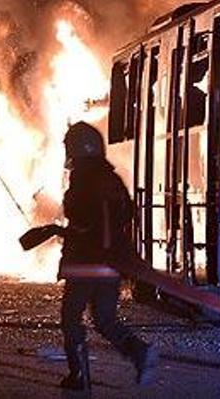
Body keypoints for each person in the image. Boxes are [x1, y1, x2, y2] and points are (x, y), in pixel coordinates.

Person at [58, 121, 159, 391]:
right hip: (112, 262)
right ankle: (139, 352)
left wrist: (69, 232)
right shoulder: (112, 179)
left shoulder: (82, 179)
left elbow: (78, 217)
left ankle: (78, 375)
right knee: (105, 319)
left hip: (85, 262)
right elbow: (127, 213)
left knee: (70, 317)